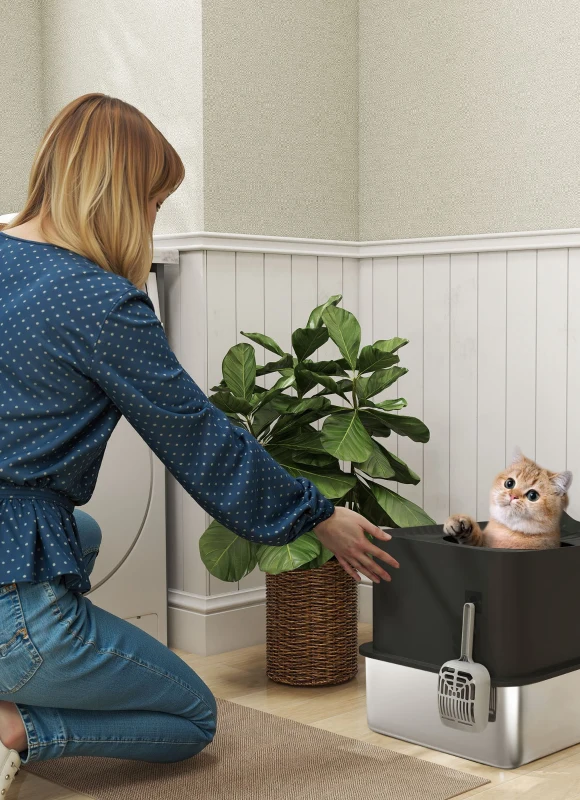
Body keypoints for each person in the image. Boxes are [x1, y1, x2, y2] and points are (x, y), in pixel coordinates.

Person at [0, 93, 399, 791]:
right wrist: (316, 514)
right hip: (9, 600)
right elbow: (200, 439)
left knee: (79, 532)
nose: (155, 219)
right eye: (155, 201)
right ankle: (13, 727)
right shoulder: (100, 303)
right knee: (192, 719)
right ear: (121, 195)